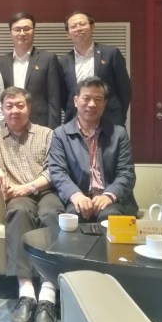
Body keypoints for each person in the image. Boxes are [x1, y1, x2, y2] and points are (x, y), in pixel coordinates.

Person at [0, 86, 63, 322]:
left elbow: (55, 169)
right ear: (2, 110)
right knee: (18, 211)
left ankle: (48, 293)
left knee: (51, 214)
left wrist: (30, 186)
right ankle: (26, 292)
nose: (14, 110)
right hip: (18, 197)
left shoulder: (47, 134)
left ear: (29, 108)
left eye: (19, 105)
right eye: (9, 106)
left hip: (45, 191)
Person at [49, 76, 138, 223]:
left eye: (98, 99)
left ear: (105, 103)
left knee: (110, 217)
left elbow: (126, 173)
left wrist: (109, 195)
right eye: (86, 98)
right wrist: (76, 194)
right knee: (72, 217)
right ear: (76, 101)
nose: (92, 104)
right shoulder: (60, 134)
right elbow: (58, 172)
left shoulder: (119, 134)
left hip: (111, 200)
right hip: (78, 197)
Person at [60, 11, 131, 126]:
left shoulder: (111, 54)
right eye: (73, 26)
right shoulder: (63, 61)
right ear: (68, 33)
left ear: (92, 27)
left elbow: (124, 89)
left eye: (82, 24)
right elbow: (63, 96)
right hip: (76, 121)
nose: (78, 28)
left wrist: (120, 116)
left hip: (110, 120)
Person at [0, 12, 61, 129]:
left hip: (39, 125)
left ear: (33, 31)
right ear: (11, 33)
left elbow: (54, 100)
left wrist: (53, 131)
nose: (22, 33)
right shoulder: (0, 63)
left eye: (26, 29)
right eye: (17, 29)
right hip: (9, 125)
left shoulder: (48, 59)